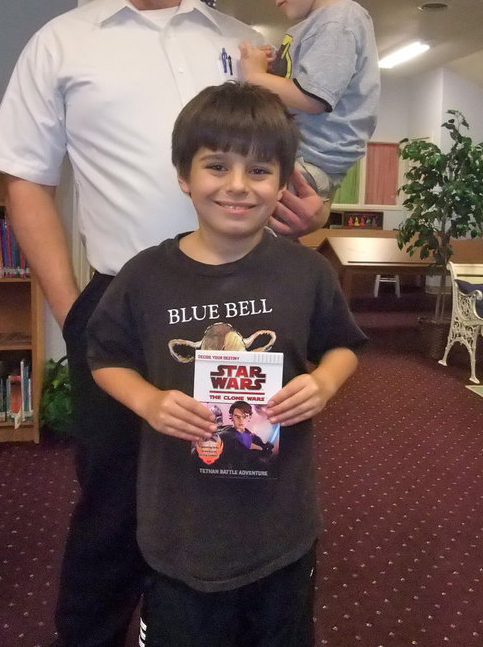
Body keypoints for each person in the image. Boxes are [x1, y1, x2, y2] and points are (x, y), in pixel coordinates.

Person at [0, 0, 324, 646]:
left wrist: (310, 211)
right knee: (115, 503)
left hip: (245, 306)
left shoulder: (249, 47)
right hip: (124, 307)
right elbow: (25, 180)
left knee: (239, 488)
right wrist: (74, 310)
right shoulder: (61, 44)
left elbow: (284, 175)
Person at [87, 81, 367, 647]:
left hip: (281, 526)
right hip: (179, 528)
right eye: (217, 166)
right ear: (184, 175)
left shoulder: (306, 273)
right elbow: (104, 357)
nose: (238, 185)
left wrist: (323, 382)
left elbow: (344, 345)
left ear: (282, 183)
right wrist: (148, 400)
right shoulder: (144, 276)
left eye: (259, 171)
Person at [239, 0, 381, 219]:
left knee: (242, 214)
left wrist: (256, 77)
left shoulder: (340, 19)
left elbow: (312, 98)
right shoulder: (316, 24)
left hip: (312, 161)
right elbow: (298, 87)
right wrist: (272, 69)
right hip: (301, 157)